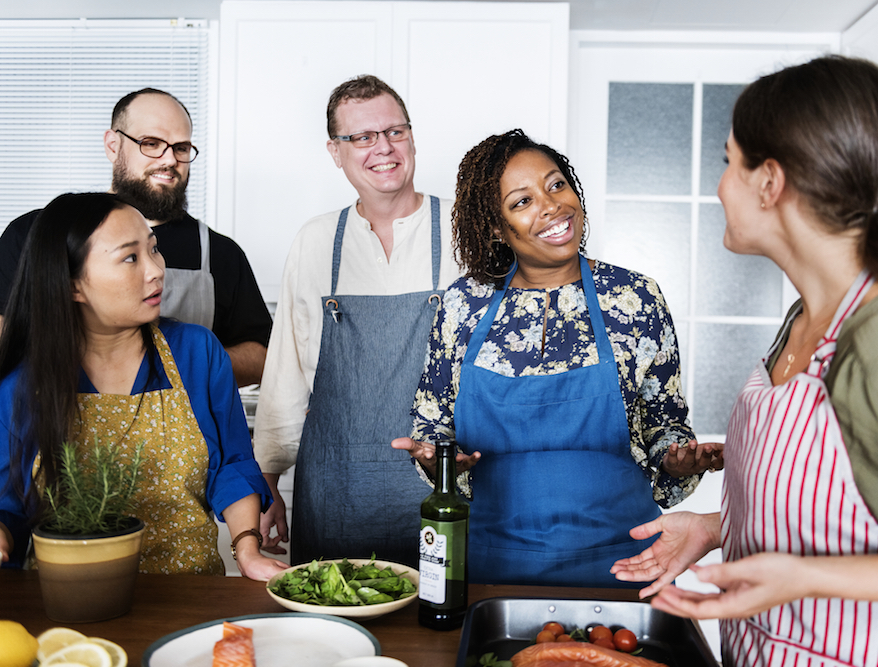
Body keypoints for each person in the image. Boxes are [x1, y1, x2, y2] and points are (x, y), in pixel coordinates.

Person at [611, 56, 878, 666]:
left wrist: (810, 578)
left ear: (770, 182)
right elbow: (841, 503)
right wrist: (716, 529)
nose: (719, 185)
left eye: (727, 162)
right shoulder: (805, 319)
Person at [391, 129, 723, 588]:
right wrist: (437, 459)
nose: (551, 207)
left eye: (556, 185)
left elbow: (664, 422)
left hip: (626, 560)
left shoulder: (635, 298)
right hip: (489, 562)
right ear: (495, 226)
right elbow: (431, 425)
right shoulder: (462, 306)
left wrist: (679, 458)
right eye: (522, 202)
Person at [0, 193, 286, 581]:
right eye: (130, 257)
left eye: (154, 250)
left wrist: (247, 549)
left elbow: (232, 466)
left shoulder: (197, 352)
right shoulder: (22, 387)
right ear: (72, 286)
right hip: (72, 596)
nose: (156, 270)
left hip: (191, 592)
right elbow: (9, 506)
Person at [254, 75, 462, 566]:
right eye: (362, 137)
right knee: (333, 629)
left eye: (395, 131)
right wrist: (267, 480)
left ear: (412, 136)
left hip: (444, 483)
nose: (383, 148)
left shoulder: (464, 231)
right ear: (335, 150)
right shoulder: (315, 240)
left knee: (437, 628)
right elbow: (285, 370)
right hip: (335, 489)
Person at [0, 88, 271, 387]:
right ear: (113, 145)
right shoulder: (35, 234)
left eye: (181, 148)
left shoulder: (221, 254)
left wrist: (185, 364)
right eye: (151, 143)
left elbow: (261, 357)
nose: (169, 159)